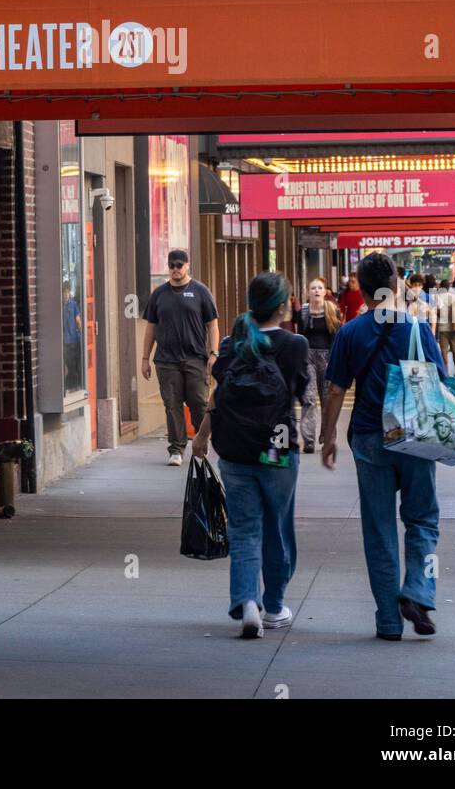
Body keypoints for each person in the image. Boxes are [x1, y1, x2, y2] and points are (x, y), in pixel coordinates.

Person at [320, 252, 448, 641]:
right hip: (414, 436)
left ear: (360, 286)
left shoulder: (350, 332)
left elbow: (336, 388)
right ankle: (419, 594)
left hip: (370, 436)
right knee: (422, 519)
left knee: (378, 529)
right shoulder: (417, 327)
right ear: (395, 285)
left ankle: (389, 621)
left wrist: (327, 437)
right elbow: (439, 379)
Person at [192, 272, 310, 639]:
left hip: (235, 447)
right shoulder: (295, 344)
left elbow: (217, 392)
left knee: (244, 530)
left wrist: (201, 436)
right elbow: (303, 394)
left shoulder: (231, 343)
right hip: (276, 446)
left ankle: (247, 603)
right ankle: (274, 606)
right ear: (280, 307)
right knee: (278, 526)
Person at [142, 249, 219, 466]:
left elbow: (212, 325)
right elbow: (150, 327)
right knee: (172, 404)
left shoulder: (200, 291)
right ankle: (176, 449)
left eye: (179, 265)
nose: (175, 269)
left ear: (187, 266)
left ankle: (201, 441)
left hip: (195, 358)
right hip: (166, 359)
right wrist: (145, 358)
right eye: (172, 265)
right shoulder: (159, 294)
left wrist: (214, 353)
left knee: (198, 402)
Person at [296, 277, 342, 454]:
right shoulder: (303, 312)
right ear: (308, 292)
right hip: (308, 356)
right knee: (308, 398)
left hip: (327, 356)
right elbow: (300, 335)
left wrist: (333, 358)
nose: (316, 291)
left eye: (319, 288)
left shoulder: (332, 310)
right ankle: (308, 439)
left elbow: (336, 337)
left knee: (327, 398)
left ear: (325, 292)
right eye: (313, 288)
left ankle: (328, 435)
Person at [435, 277, 455, 371]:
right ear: (449, 287)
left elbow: (436, 312)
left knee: (444, 350)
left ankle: (446, 370)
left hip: (443, 328)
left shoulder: (437, 297)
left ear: (440, 287)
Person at [62, 279, 83, 392]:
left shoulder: (73, 305)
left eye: (67, 292)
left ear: (69, 292)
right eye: (64, 292)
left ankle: (74, 386)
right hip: (65, 341)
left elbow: (78, 321)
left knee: (73, 365)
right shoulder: (62, 306)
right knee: (69, 365)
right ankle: (72, 386)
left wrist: (81, 333)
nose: (65, 294)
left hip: (73, 340)